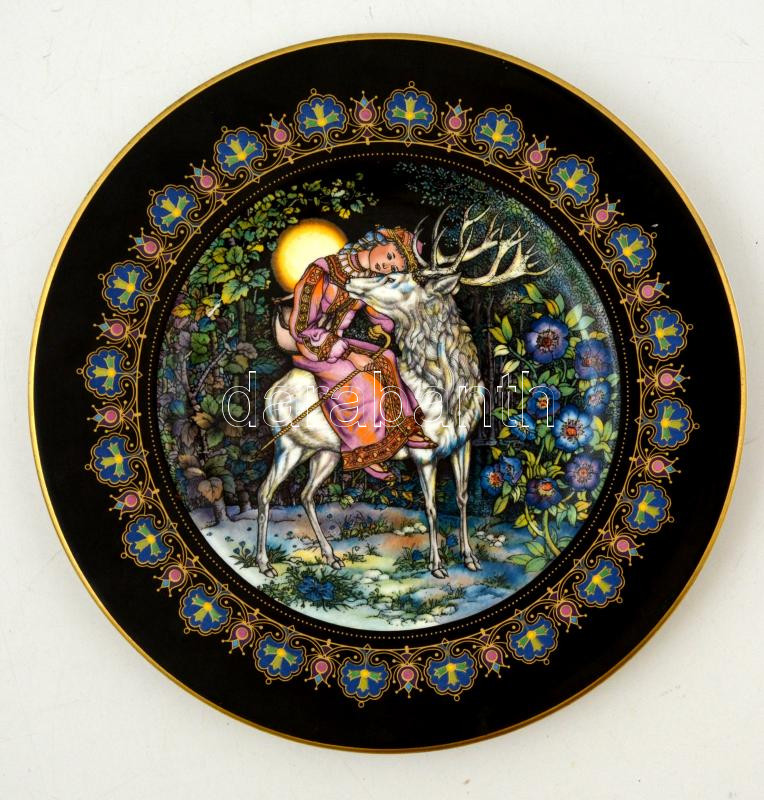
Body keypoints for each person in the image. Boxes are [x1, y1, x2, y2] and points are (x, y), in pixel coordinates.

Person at [287, 226, 434, 480]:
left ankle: (404, 428)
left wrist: (395, 320)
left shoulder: (367, 278)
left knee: (387, 358)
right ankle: (365, 450)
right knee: (364, 381)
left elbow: (376, 311)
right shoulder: (322, 272)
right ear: (377, 242)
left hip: (340, 344)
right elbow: (301, 328)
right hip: (314, 346)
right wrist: (351, 356)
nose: (386, 266)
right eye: (389, 256)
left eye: (392, 268)